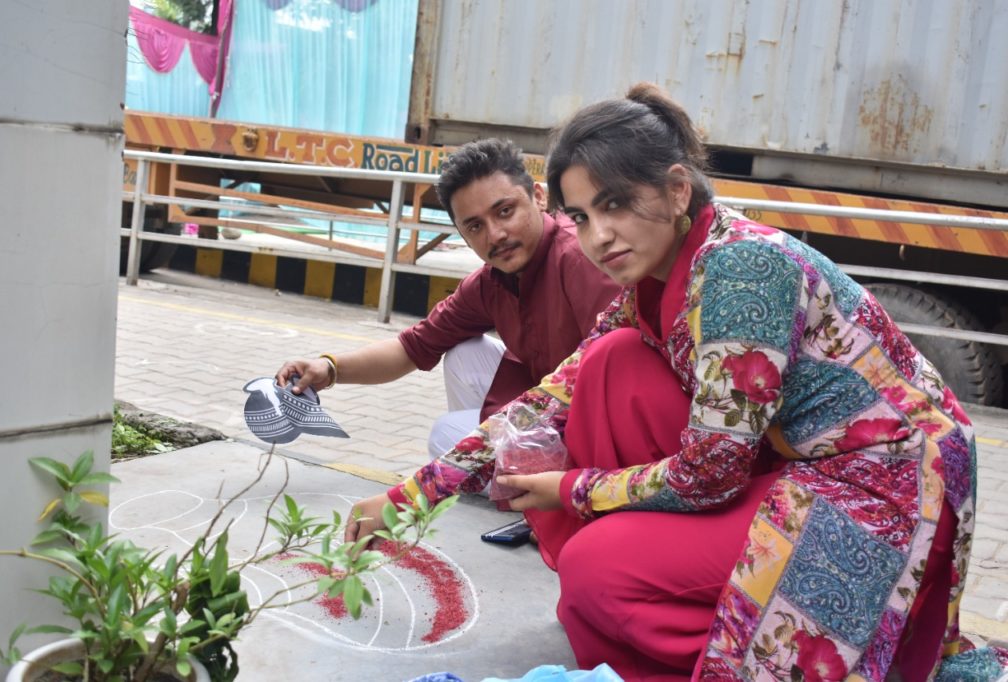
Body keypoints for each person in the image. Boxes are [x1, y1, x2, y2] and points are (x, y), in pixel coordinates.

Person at [347, 84, 1008, 680]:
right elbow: (548, 399)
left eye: (616, 205)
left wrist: (572, 489)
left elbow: (710, 474)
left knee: (596, 569)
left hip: (881, 479)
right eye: (580, 216)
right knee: (612, 367)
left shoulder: (741, 270)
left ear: (676, 190)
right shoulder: (650, 288)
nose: (599, 236)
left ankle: (743, 637)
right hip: (794, 459)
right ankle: (698, 591)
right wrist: (407, 497)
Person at [276, 138, 619, 459]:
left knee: (446, 436)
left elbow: (617, 376)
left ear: (539, 197)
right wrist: (330, 369)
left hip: (603, 426)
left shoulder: (579, 259)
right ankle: (507, 467)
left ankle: (531, 483)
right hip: (551, 404)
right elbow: (415, 346)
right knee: (464, 352)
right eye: (475, 226)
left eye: (504, 211)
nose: (495, 235)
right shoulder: (490, 282)